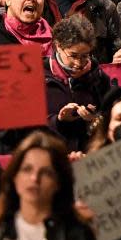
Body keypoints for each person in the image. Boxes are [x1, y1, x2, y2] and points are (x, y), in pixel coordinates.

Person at [45, 15, 113, 152]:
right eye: (73, 56)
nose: (79, 63)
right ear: (58, 46)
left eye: (85, 56)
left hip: (89, 155)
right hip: (54, 156)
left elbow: (111, 118)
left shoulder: (99, 77)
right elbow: (29, 127)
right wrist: (59, 120)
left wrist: (95, 120)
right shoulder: (40, 75)